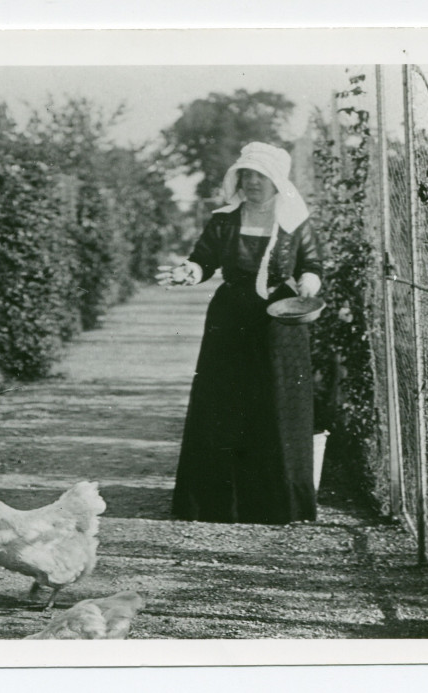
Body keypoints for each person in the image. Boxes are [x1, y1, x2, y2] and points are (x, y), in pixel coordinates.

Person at [157, 141, 324, 524]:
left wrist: (310, 282)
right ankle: (216, 503)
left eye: (260, 177)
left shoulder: (295, 221)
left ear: (276, 182)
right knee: (223, 402)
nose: (252, 183)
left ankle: (275, 503)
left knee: (277, 404)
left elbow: (311, 262)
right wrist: (188, 272)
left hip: (279, 322)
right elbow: (203, 260)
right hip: (230, 320)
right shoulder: (224, 220)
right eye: (246, 176)